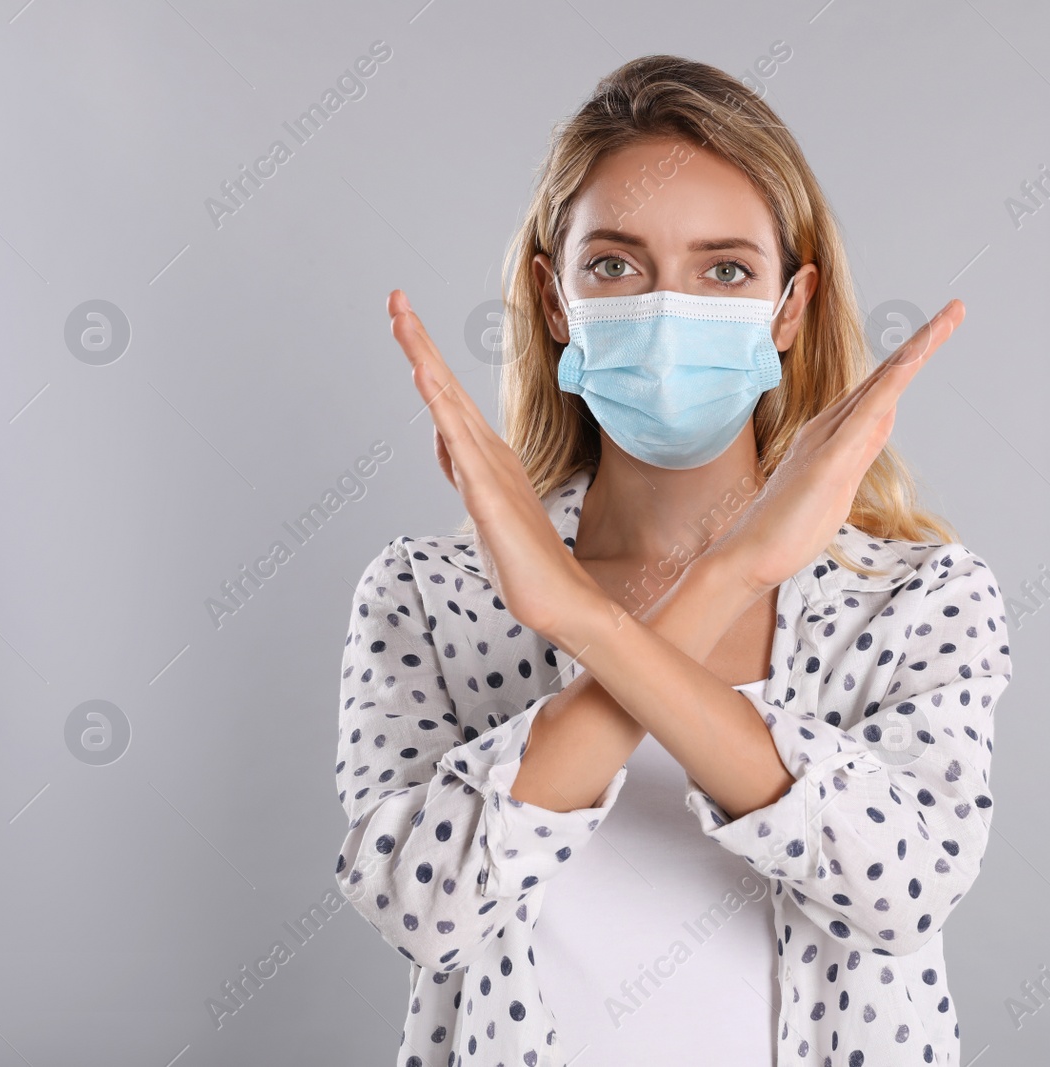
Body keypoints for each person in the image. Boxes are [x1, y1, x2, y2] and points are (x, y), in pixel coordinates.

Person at [333, 53, 1011, 1067]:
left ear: (789, 306)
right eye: (613, 264)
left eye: (725, 269)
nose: (664, 310)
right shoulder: (431, 596)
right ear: (553, 300)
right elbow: (421, 907)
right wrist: (688, 593)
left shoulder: (918, 596)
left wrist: (610, 615)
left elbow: (899, 888)